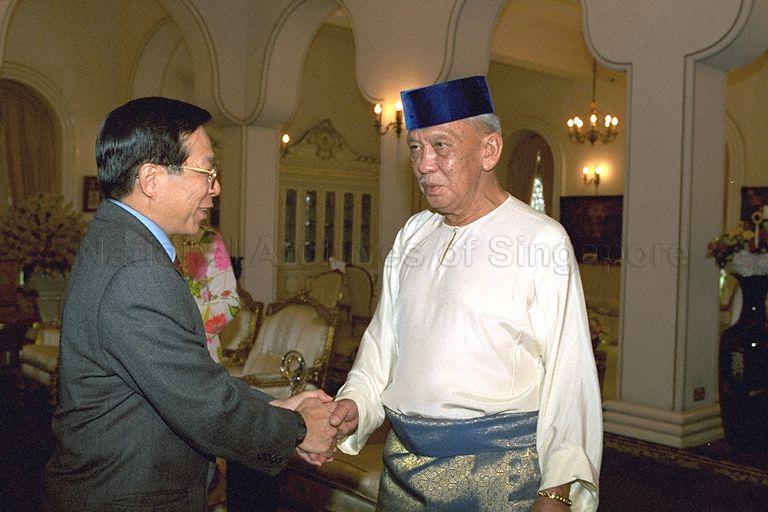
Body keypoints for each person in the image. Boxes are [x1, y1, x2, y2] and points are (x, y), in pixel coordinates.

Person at [46, 97, 339, 511]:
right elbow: (203, 406)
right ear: (152, 179)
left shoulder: (117, 240)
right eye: (207, 171)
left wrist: (273, 406)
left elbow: (185, 381)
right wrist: (296, 428)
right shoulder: (136, 269)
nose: (215, 187)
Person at [327, 76, 603, 511]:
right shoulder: (413, 235)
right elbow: (382, 346)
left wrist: (556, 489)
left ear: (489, 150)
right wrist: (357, 403)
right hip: (401, 473)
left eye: (441, 145)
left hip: (497, 477)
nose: (423, 164)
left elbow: (569, 375)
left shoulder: (540, 240)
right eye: (416, 148)